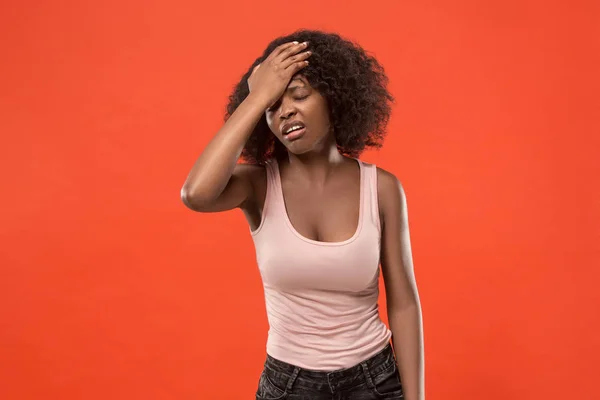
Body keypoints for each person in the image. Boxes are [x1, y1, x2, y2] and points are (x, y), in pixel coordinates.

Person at [181, 29, 424, 400]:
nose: (285, 111)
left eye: (298, 95)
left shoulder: (383, 188)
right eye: (272, 107)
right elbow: (196, 194)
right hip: (289, 386)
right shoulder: (257, 185)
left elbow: (404, 302)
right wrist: (257, 95)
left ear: (334, 98)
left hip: (375, 381)